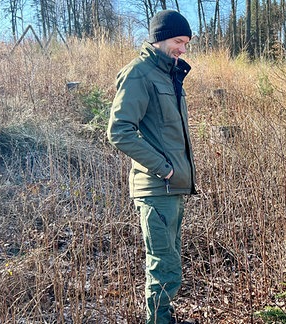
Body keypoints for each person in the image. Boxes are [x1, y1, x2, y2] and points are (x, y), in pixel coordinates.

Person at [106, 10, 196, 324]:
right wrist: (165, 169)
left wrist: (176, 175)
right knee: (164, 266)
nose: (183, 49)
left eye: (186, 43)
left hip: (172, 189)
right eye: (178, 41)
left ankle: (163, 317)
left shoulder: (167, 74)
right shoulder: (139, 73)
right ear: (159, 39)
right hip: (158, 187)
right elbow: (119, 131)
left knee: (169, 264)